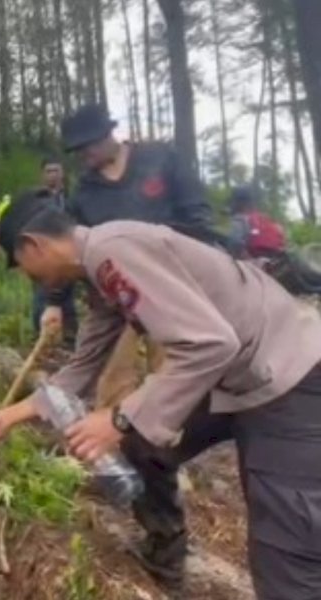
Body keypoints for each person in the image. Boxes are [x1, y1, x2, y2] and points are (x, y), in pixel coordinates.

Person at [0, 198, 321, 597]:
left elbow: (212, 344)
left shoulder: (116, 250)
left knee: (286, 551)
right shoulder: (100, 271)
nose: (29, 279)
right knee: (142, 444)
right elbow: (84, 363)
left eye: (22, 268)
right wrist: (13, 414)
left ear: (32, 245)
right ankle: (166, 554)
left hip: (289, 377)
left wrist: (118, 418)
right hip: (236, 376)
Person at [60, 104, 216, 410]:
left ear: (106, 135)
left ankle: (168, 444)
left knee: (171, 373)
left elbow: (197, 215)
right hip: (119, 298)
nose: (83, 155)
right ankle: (119, 445)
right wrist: (55, 300)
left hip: (171, 285)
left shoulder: (160, 159)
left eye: (87, 146)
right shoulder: (84, 194)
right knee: (114, 379)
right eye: (77, 150)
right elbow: (74, 250)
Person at [27, 157, 78, 348]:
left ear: (62, 173)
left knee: (67, 299)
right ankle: (42, 341)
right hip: (43, 255)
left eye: (56, 170)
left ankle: (70, 340)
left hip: (69, 253)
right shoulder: (35, 199)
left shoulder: (72, 197)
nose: (53, 175)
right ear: (42, 174)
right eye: (48, 171)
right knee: (42, 298)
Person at [228, 186, 286, 259]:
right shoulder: (261, 218)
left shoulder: (239, 219)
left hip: (252, 257)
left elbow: (236, 241)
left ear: (238, 202)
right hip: (272, 256)